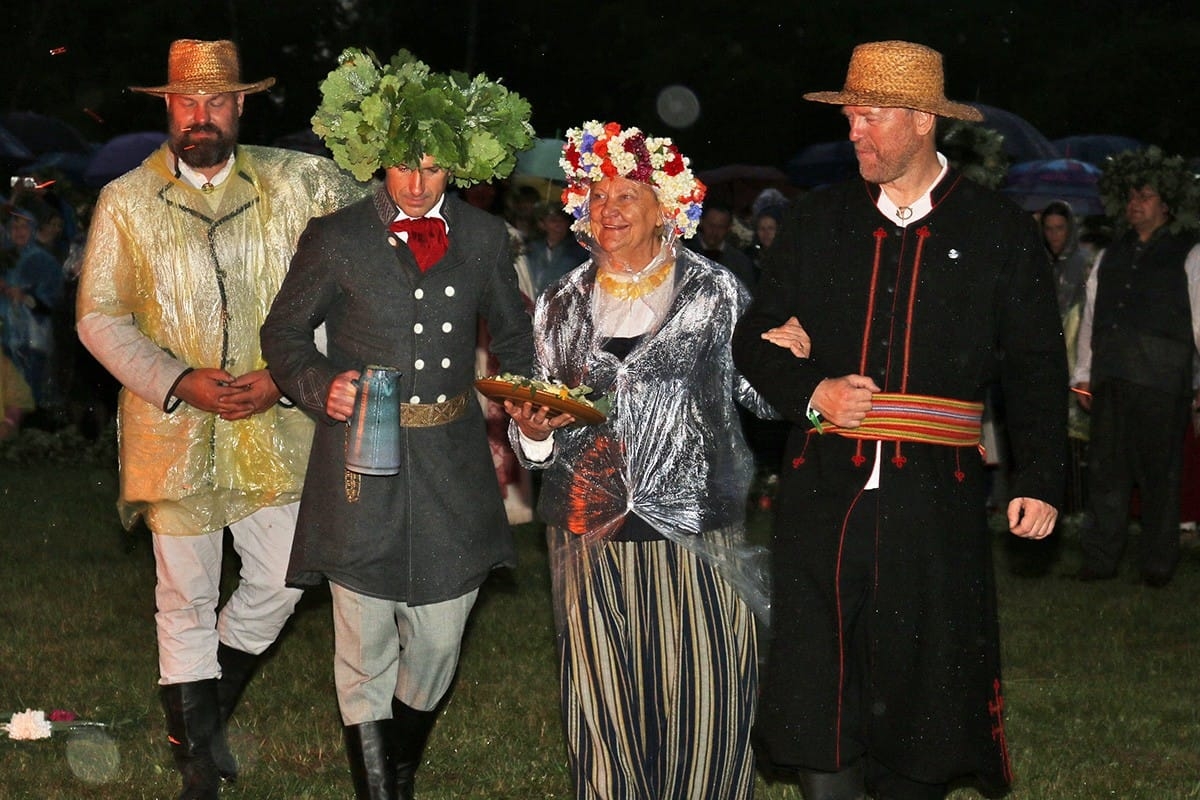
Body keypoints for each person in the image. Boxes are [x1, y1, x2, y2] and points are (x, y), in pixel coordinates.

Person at [731, 41, 1066, 800]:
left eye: (870, 116)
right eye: (849, 114)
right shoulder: (817, 224)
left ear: (920, 121)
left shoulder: (998, 232)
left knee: (924, 686)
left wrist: (1042, 477)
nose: (854, 130)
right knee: (822, 676)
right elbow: (754, 338)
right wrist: (812, 390)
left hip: (936, 503)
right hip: (822, 497)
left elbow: (1036, 368)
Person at [75, 39, 364, 799]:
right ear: (167, 106)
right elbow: (100, 317)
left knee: (284, 577)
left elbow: (350, 290)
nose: (201, 116)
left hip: (278, 425)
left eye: (218, 101)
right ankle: (198, 762)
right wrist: (175, 380)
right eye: (186, 101)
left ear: (242, 105)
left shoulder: (304, 185)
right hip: (169, 428)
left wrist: (287, 377)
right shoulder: (126, 201)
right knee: (185, 595)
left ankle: (201, 717)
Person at [259, 47, 534, 800]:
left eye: (434, 168)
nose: (416, 185)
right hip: (359, 462)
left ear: (458, 167)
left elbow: (512, 336)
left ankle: (399, 758)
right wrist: (321, 385)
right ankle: (383, 788)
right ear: (377, 159)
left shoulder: (484, 240)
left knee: (441, 639)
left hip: (451, 462)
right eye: (402, 166)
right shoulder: (335, 237)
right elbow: (282, 337)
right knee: (364, 641)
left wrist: (519, 394)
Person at [504, 120, 778, 799]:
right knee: (602, 713)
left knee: (706, 705)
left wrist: (795, 352)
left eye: (628, 194)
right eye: (597, 195)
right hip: (585, 532)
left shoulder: (714, 293)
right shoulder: (559, 304)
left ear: (667, 207)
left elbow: (767, 399)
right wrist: (534, 434)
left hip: (694, 531)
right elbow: (541, 429)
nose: (610, 209)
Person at [1072, 147, 1200, 588]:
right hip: (1112, 376)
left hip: (1162, 380)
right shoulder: (1111, 254)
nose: (1135, 203)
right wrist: (1083, 372)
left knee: (1159, 475)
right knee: (1107, 471)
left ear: (1165, 203)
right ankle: (1100, 558)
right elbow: (1092, 313)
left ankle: (1158, 563)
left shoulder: (1190, 252)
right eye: (1130, 196)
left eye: (1144, 195)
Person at [2, 210, 64, 406]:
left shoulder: (43, 260)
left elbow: (52, 301)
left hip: (33, 339)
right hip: (7, 337)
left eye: (24, 226)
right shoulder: (6, 260)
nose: (19, 231)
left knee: (31, 392)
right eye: (14, 226)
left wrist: (25, 297)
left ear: (33, 229)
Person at [686, 201, 757, 291]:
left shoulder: (741, 262)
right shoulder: (686, 254)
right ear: (701, 222)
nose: (714, 232)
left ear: (728, 228)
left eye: (721, 227)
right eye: (711, 225)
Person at [525, 203, 588, 294]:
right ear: (542, 224)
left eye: (562, 220)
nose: (559, 225)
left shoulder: (578, 252)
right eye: (553, 220)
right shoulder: (531, 249)